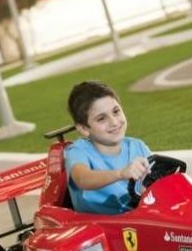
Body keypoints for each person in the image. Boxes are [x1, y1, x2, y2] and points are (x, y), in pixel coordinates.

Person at [64, 80, 151, 215]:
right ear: (84, 129)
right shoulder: (79, 151)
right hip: (100, 224)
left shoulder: (138, 146)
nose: (114, 122)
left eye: (116, 111)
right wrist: (120, 174)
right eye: (101, 119)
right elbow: (82, 178)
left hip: (140, 217)